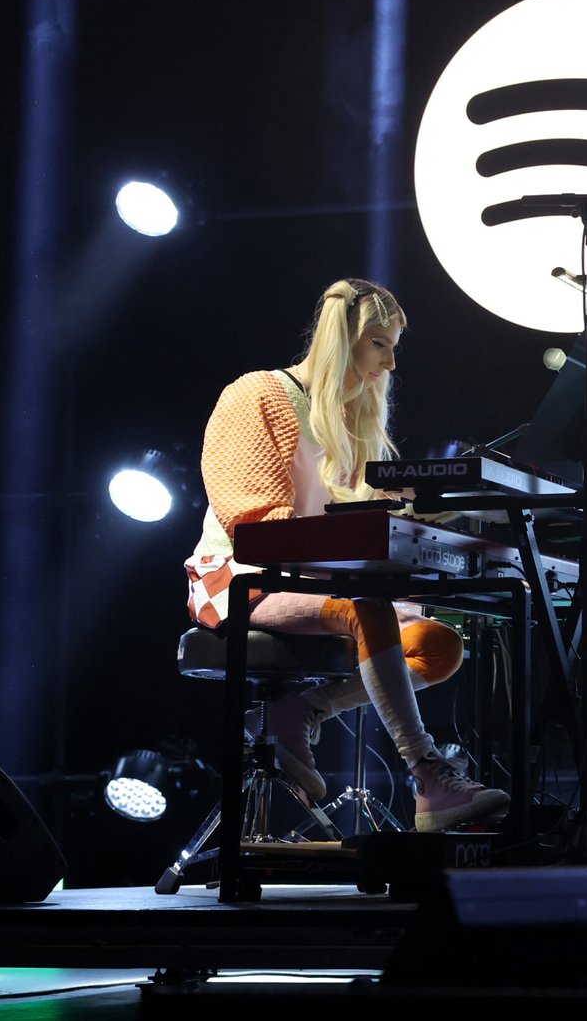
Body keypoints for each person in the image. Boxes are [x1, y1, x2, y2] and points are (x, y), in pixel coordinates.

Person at [183, 278, 510, 833]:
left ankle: (301, 711)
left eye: (394, 346)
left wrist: (428, 517)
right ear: (344, 336)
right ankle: (428, 774)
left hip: (320, 580)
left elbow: (357, 527)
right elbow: (252, 524)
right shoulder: (256, 394)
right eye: (380, 343)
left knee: (439, 644)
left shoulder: (352, 422)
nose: (390, 361)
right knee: (366, 605)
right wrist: (366, 527)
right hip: (239, 577)